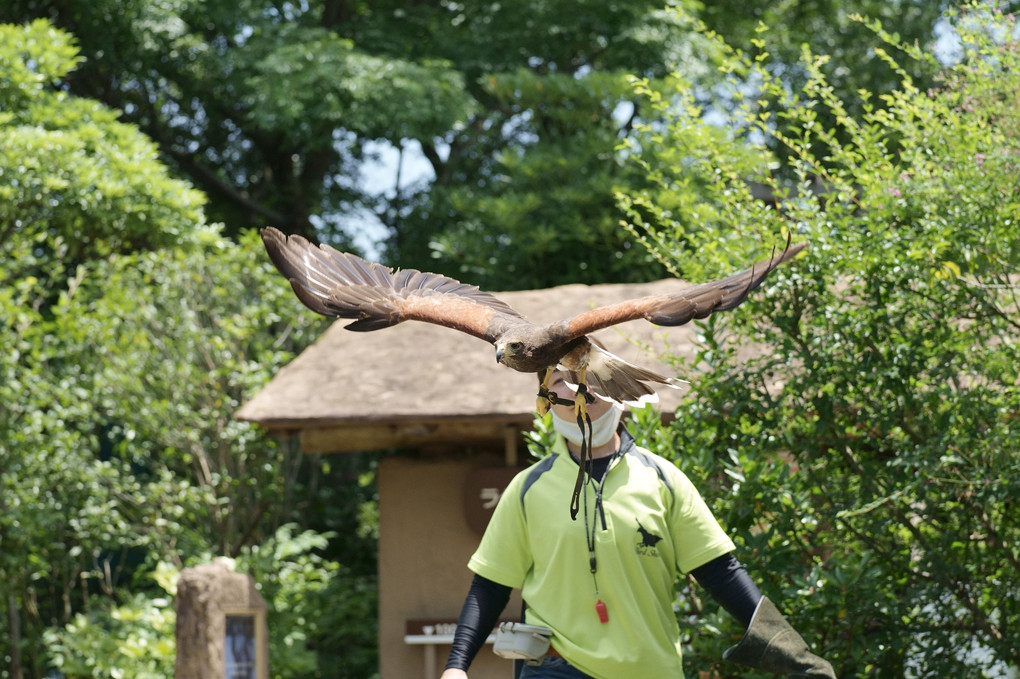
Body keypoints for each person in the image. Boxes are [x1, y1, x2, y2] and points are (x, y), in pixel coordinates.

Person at [441, 371, 835, 678]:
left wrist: (792, 652)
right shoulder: (527, 489)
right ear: (546, 400)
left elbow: (719, 572)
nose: (578, 387)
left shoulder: (663, 479)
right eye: (560, 380)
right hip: (556, 667)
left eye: (588, 375)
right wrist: (457, 665)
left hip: (650, 670)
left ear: (615, 384)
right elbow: (490, 586)